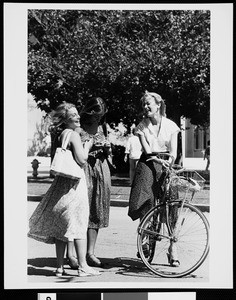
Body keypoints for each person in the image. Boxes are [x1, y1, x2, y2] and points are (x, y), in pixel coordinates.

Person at [28, 102, 100, 277]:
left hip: (61, 184)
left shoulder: (62, 134)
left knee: (61, 227)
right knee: (79, 223)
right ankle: (83, 266)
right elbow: (82, 160)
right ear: (67, 119)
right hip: (74, 183)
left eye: (77, 114)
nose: (77, 117)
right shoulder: (74, 135)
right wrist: (88, 145)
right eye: (73, 115)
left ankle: (59, 267)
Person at [128, 91, 180, 267]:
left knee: (172, 203)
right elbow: (148, 151)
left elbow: (173, 152)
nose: (146, 107)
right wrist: (157, 160)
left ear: (159, 105)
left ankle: (172, 249)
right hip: (148, 163)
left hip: (166, 162)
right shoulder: (141, 126)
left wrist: (169, 162)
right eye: (144, 104)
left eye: (149, 103)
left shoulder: (171, 126)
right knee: (144, 198)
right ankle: (144, 238)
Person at [66, 97, 111, 269]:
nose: (98, 119)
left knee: (96, 210)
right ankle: (71, 255)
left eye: (101, 116)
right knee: (77, 211)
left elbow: (107, 150)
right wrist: (89, 146)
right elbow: (73, 150)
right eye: (96, 116)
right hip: (83, 170)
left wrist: (107, 148)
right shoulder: (77, 126)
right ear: (90, 111)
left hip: (100, 169)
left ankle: (90, 253)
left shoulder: (102, 126)